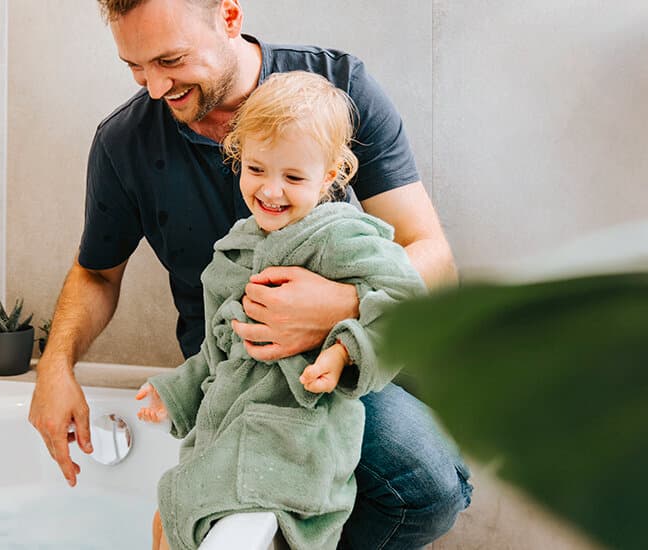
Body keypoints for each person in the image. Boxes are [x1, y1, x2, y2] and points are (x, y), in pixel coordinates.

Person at [27, 0, 472, 547]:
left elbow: (432, 258)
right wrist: (55, 364)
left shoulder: (339, 89)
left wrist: (336, 307)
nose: (155, 88)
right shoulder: (125, 143)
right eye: (136, 67)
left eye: (171, 59)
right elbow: (97, 273)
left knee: (430, 485)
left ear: (230, 16)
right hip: (230, 365)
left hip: (340, 358)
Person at [134, 69, 428, 550]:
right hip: (226, 434)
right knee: (167, 522)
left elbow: (405, 302)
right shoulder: (235, 249)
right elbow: (217, 352)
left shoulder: (340, 237)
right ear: (239, 157)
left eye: (293, 176)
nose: (271, 191)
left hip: (294, 447)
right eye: (257, 169)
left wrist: (343, 351)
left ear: (329, 176)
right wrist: (175, 392)